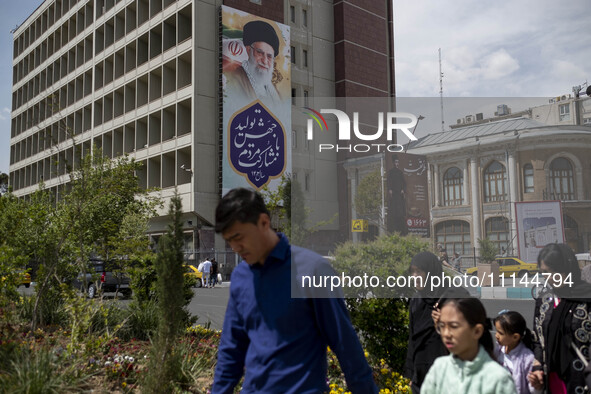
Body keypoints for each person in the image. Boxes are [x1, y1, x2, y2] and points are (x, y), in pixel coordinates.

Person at [211, 188, 378, 393]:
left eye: (239, 237)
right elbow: (231, 349)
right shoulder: (240, 277)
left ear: (264, 222)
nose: (235, 247)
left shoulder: (313, 270)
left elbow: (345, 344)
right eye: (230, 241)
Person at [527, 243, 591, 394]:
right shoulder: (544, 301)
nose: (549, 277)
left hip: (582, 380)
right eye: (544, 272)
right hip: (552, 380)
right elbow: (538, 339)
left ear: (567, 268)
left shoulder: (587, 298)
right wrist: (537, 368)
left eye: (554, 271)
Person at [421, 297, 517, 394]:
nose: (446, 334)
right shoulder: (439, 368)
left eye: (454, 326)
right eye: (441, 326)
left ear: (477, 331)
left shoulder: (499, 379)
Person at [405, 251, 469, 394]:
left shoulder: (455, 295)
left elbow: (471, 331)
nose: (414, 276)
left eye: (419, 271)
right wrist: (412, 373)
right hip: (422, 375)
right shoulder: (417, 299)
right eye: (412, 272)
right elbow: (413, 337)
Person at [223, 20, 282, 102]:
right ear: (248, 50)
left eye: (269, 56)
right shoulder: (234, 80)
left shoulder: (274, 91)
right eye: (260, 53)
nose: (265, 61)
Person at [494, 311, 537, 394]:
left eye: (500, 333)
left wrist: (535, 385)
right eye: (496, 331)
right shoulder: (499, 350)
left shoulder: (527, 358)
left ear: (515, 337)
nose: (496, 335)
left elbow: (533, 390)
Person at [387, 156, 407, 234]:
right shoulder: (391, 172)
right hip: (394, 194)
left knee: (400, 212)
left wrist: (403, 190)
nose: (397, 164)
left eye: (398, 162)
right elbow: (388, 182)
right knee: (394, 211)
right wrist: (390, 190)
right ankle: (395, 228)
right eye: (396, 162)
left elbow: (404, 183)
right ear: (393, 163)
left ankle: (401, 227)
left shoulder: (400, 172)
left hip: (399, 194)